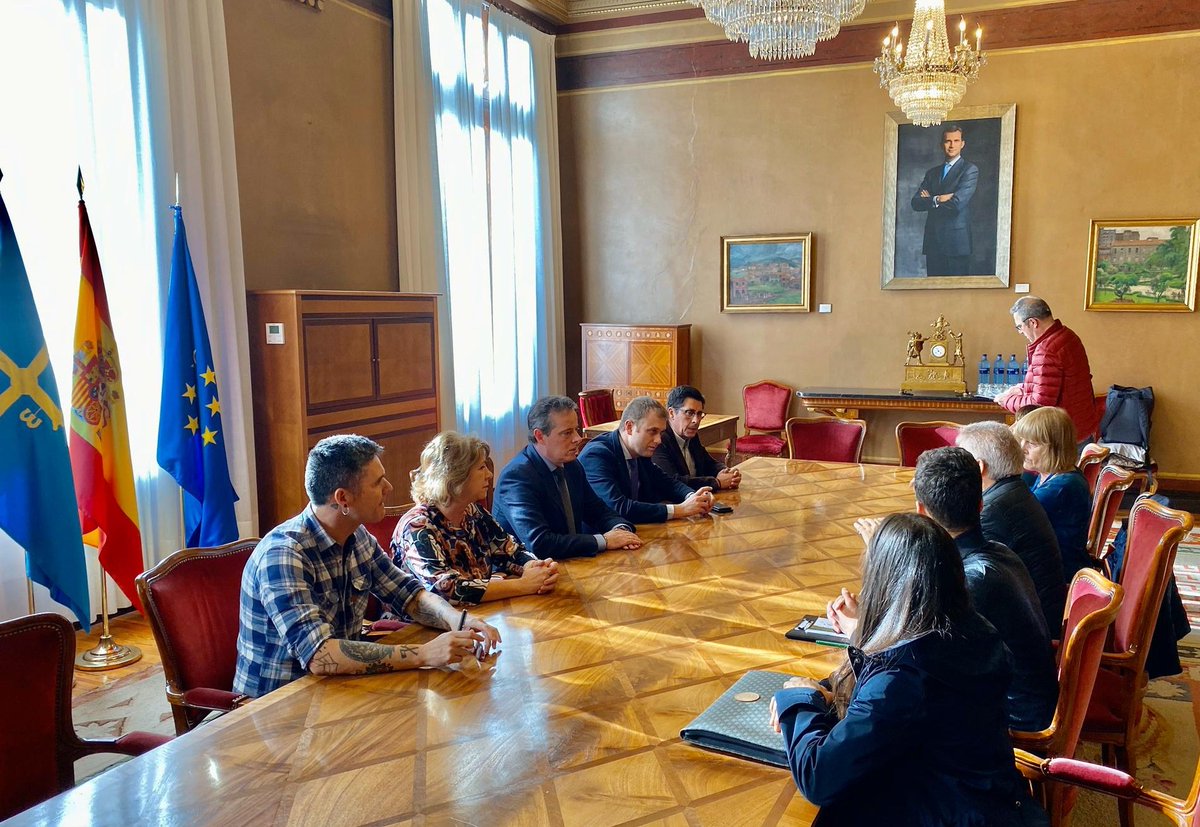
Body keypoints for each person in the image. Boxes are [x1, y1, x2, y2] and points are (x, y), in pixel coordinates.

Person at [771, 513, 1048, 825]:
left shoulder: (904, 678)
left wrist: (799, 699)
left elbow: (817, 778)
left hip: (942, 810)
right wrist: (868, 633)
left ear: (883, 584)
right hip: (986, 802)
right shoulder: (972, 627)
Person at [235, 435, 501, 698]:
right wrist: (424, 653)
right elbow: (319, 655)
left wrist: (459, 620)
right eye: (377, 482)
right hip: (275, 708)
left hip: (338, 691)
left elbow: (409, 595)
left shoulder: (357, 536)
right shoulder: (284, 554)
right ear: (343, 499)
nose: (389, 487)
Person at [831, 447, 1058, 731]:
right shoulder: (998, 552)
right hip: (1029, 698)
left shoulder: (963, 583)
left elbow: (901, 663)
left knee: (860, 713)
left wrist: (857, 627)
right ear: (981, 504)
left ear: (921, 511)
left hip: (1013, 718)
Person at [394, 432, 559, 606]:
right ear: (455, 476)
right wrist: (524, 585)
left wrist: (535, 567)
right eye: (481, 468)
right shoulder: (416, 527)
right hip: (420, 629)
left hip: (475, 617)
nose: (489, 474)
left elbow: (511, 552)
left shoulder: (474, 513)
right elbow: (448, 590)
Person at [492, 395, 643, 560]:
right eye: (567, 433)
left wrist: (621, 530)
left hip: (572, 562)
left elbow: (598, 511)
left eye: (576, 429)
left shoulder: (571, 466)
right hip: (526, 575)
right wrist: (605, 541)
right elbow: (540, 544)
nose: (577, 438)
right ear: (540, 436)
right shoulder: (516, 477)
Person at [957, 420, 1067, 630]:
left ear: (979, 467)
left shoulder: (993, 511)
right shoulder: (1013, 491)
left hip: (1031, 630)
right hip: (1039, 614)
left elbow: (966, 582)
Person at [579, 395, 714, 524]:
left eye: (660, 433)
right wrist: (680, 510)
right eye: (652, 431)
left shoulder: (638, 451)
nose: (658, 440)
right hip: (603, 540)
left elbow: (666, 482)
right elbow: (618, 507)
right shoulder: (597, 455)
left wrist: (693, 497)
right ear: (629, 427)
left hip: (637, 532)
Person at [996, 296, 1099, 444]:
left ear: (1033, 322)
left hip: (1061, 435)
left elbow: (1040, 405)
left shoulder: (1046, 350)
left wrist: (1007, 400)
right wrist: (1023, 389)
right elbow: (1057, 385)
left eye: (1019, 326)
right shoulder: (1069, 336)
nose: (1020, 332)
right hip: (1082, 425)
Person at [1011, 407, 1094, 580]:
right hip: (1047, 567)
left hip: (1058, 577)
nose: (1022, 448)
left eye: (1031, 444)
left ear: (1055, 448)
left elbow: (1012, 519)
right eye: (1022, 440)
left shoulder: (1062, 487)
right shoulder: (1050, 475)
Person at [910, 122, 979, 276]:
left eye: (955, 141)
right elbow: (915, 203)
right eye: (948, 141)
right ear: (942, 144)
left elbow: (956, 204)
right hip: (933, 242)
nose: (951, 145)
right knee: (932, 295)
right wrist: (939, 198)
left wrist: (930, 201)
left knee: (958, 296)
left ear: (962, 144)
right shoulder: (932, 173)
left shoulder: (969, 170)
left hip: (956, 244)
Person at [652, 385, 741, 491]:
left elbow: (708, 463)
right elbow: (672, 481)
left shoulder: (691, 435)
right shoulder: (659, 440)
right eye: (689, 413)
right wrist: (717, 482)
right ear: (671, 413)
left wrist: (727, 472)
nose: (696, 420)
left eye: (699, 414)